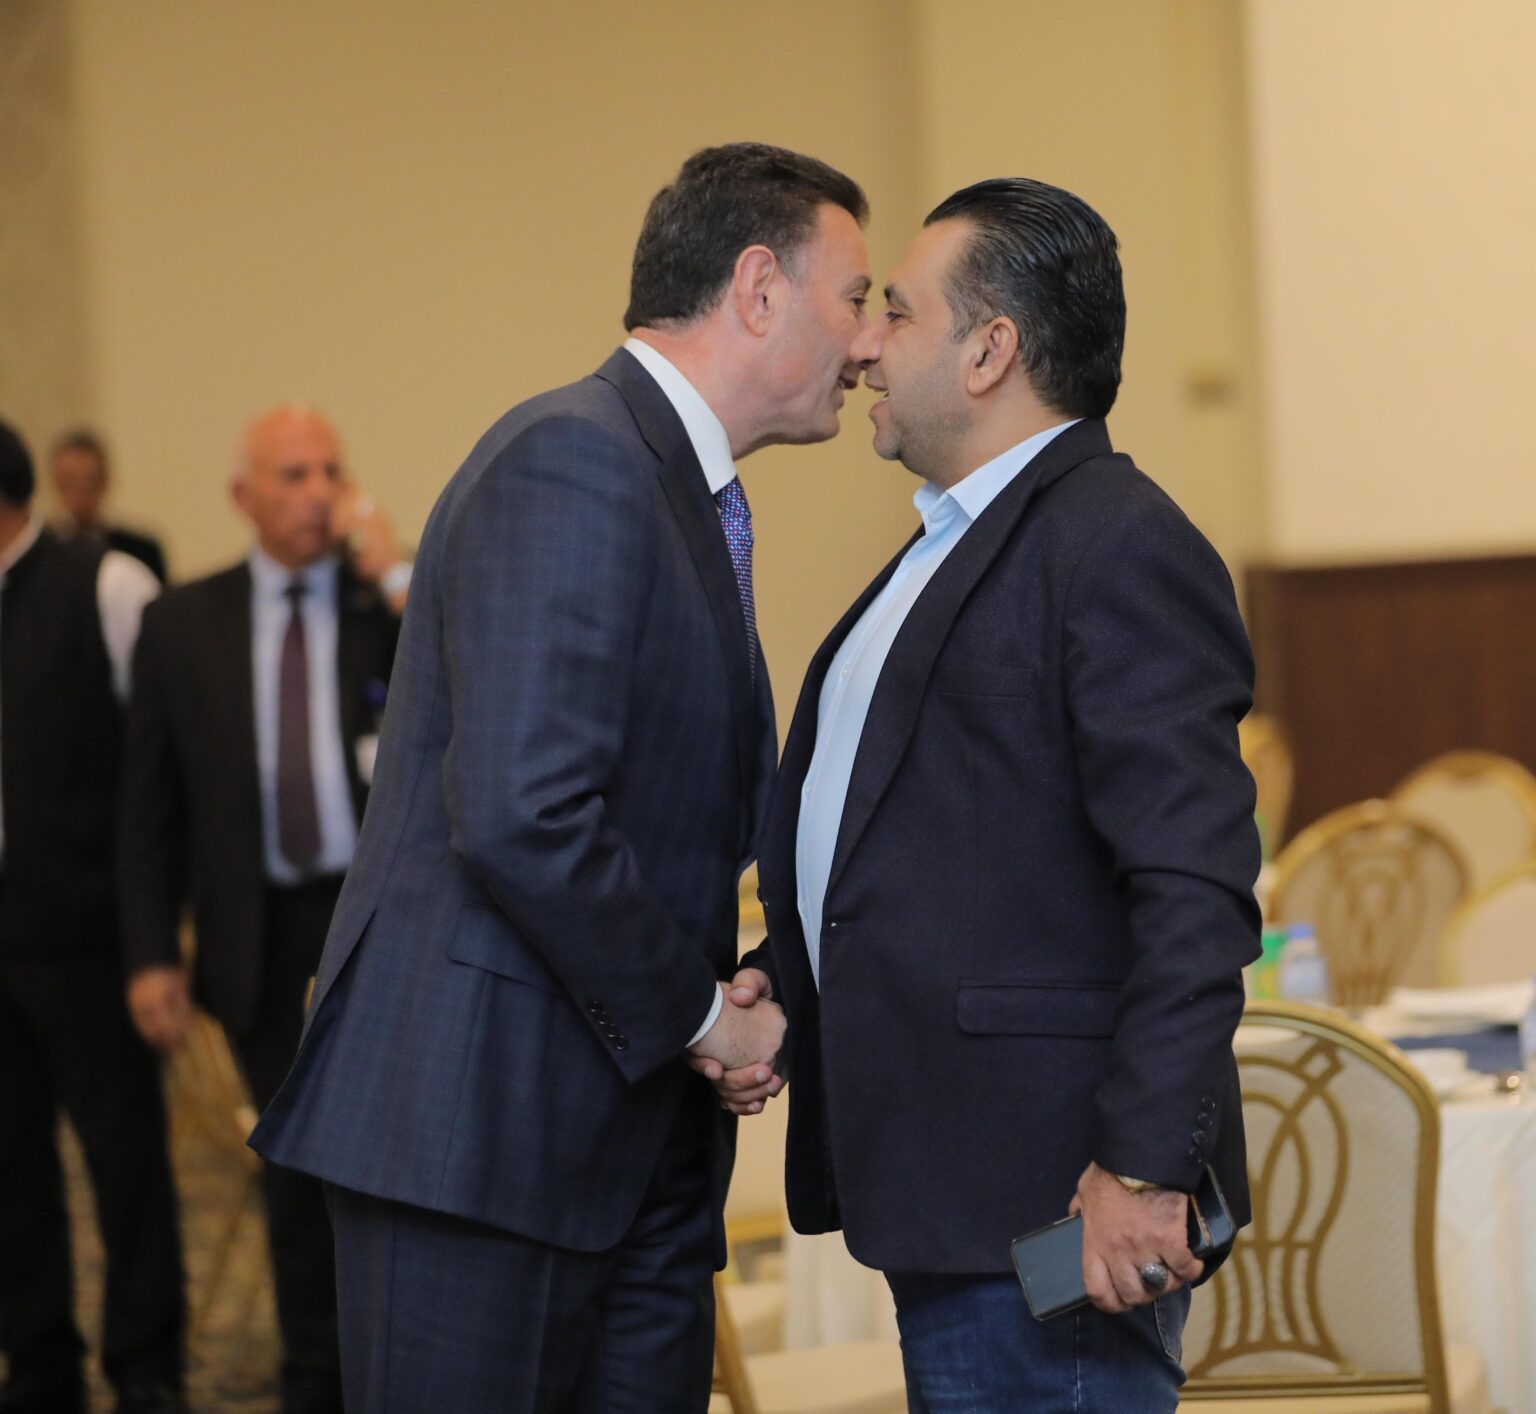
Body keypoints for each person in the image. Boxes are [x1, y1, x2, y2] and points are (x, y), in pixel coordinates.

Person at [249, 142, 872, 1413]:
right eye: (856, 297)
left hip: (621, 1142)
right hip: (482, 1138)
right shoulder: (576, 458)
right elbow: (524, 814)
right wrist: (707, 1019)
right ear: (759, 288)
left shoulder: (671, 484)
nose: (868, 344)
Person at [697, 178, 1261, 1411]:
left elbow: (1195, 890)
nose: (864, 344)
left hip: (1051, 1196)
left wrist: (1142, 1166)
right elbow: (943, 841)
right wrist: (785, 982)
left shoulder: (1117, 541)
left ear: (991, 349)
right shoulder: (955, 539)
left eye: (897, 312)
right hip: (948, 1181)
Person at [119, 405, 408, 1414]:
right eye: (294, 475)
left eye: (331, 470)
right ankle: (317, 1380)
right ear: (244, 496)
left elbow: (476, 689)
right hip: (261, 934)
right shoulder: (182, 624)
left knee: (391, 1163)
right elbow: (147, 807)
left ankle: (402, 1370)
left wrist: (397, 575)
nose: (318, 492)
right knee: (295, 1168)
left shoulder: (385, 609)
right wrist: (151, 953)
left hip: (376, 924)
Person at [0, 418, 185, 1414]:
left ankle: (145, 1364)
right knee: (11, 1167)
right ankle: (39, 1363)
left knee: (125, 1162)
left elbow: (160, 766)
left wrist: (155, 934)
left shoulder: (106, 585)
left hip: (89, 939)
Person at [51, 429, 169, 583]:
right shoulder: (43, 552)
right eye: (69, 481)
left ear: (105, 481)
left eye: (90, 480)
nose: (80, 492)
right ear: (55, 482)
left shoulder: (142, 551)